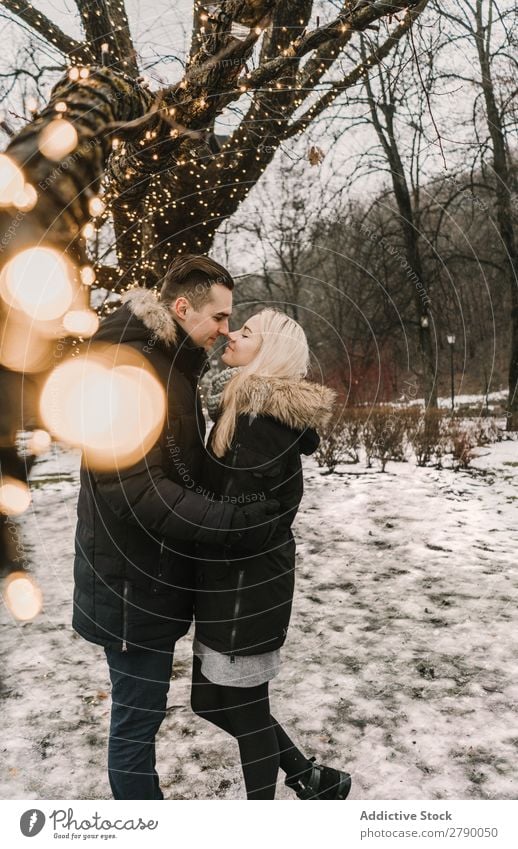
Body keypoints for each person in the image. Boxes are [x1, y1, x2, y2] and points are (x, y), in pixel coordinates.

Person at [72, 255, 278, 800]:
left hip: (152, 582)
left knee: (144, 717)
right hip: (129, 586)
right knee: (136, 726)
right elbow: (136, 491)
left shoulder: (170, 365)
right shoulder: (126, 368)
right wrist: (232, 523)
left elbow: (181, 466)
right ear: (182, 308)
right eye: (219, 317)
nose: (225, 331)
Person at [191, 309, 352, 800]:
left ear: (270, 352)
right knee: (210, 702)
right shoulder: (242, 409)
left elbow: (254, 516)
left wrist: (187, 523)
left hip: (247, 587)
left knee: (243, 710)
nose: (232, 335)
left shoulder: (259, 423)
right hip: (230, 583)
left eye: (246, 332)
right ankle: (308, 777)